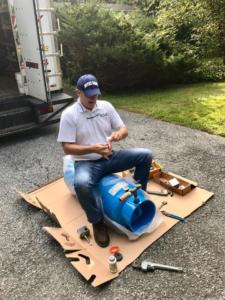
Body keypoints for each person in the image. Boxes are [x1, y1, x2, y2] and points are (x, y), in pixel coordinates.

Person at [57, 74, 152, 247]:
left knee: (145, 155)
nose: (93, 98)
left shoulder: (106, 106)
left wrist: (119, 134)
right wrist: (92, 148)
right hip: (86, 162)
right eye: (89, 94)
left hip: (109, 157)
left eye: (96, 93)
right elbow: (67, 148)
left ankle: (139, 196)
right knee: (82, 184)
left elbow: (123, 129)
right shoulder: (69, 115)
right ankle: (97, 223)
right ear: (78, 92)